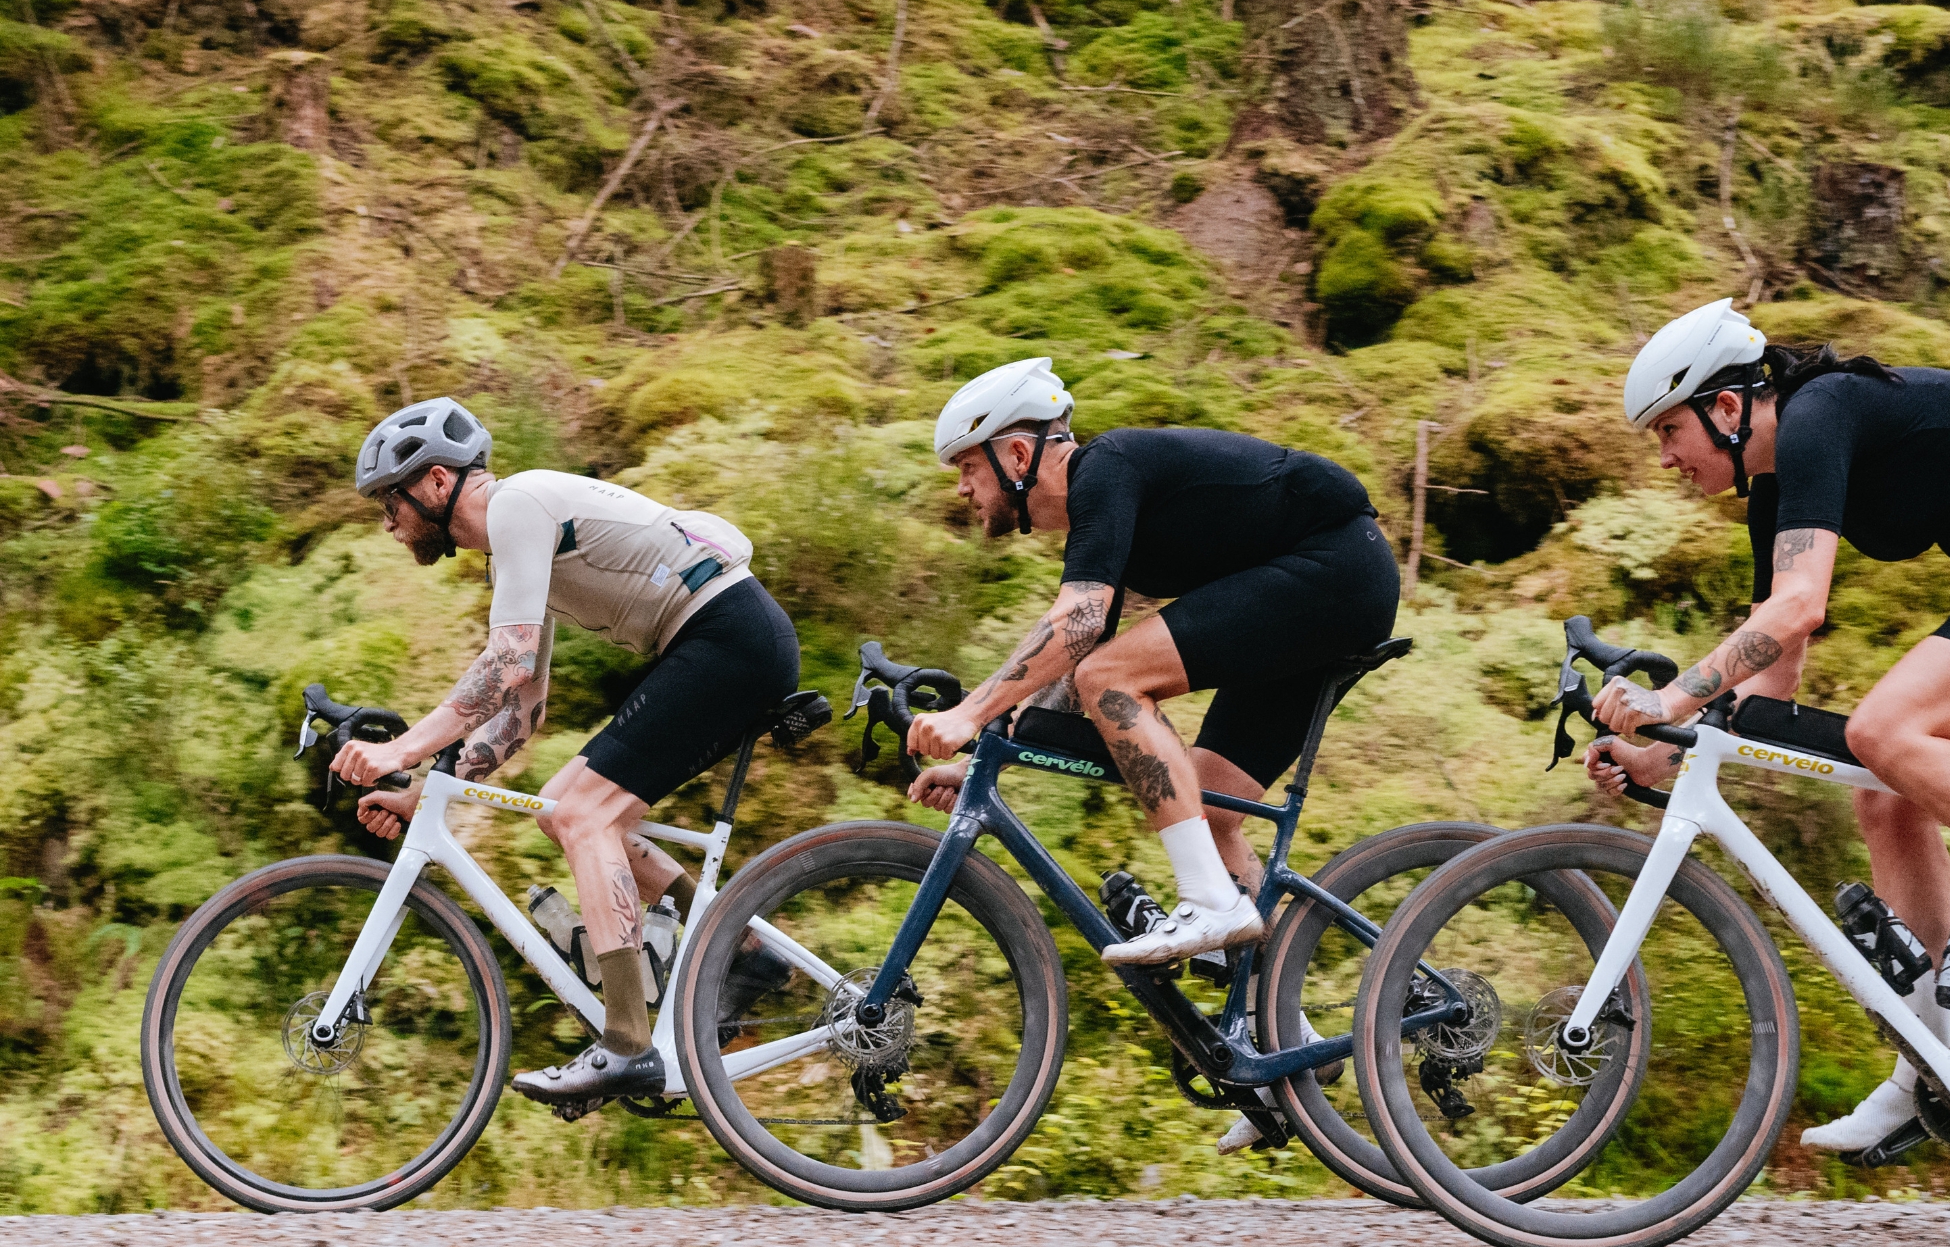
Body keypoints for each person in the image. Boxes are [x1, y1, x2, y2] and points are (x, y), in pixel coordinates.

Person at [1582, 300, 1950, 1154]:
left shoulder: (1821, 410)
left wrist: (1669, 698)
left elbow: (1799, 604)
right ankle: (1930, 1066)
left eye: (1668, 429)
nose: (1665, 455)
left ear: (1725, 407)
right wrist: (1660, 752)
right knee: (1888, 795)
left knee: (1884, 728)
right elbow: (1772, 672)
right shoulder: (1777, 492)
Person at [901, 359, 1399, 1149]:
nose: (963, 489)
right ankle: (1285, 1040)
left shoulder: (1109, 469)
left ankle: (1213, 905)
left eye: (968, 467)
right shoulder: (1110, 519)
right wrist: (986, 752)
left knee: (1116, 676)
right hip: (1311, 586)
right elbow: (1069, 655)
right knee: (1210, 799)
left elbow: (1078, 632)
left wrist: (967, 712)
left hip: (1333, 570)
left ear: (1019, 457)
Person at [328, 398, 801, 1107]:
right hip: (723, 639)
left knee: (585, 813)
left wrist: (398, 746)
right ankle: (746, 951)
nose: (387, 524)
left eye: (387, 504)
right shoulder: (514, 545)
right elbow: (523, 710)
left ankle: (626, 1044)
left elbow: (507, 662)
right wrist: (428, 786)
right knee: (562, 809)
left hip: (727, 635)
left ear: (432, 483)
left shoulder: (517, 506)